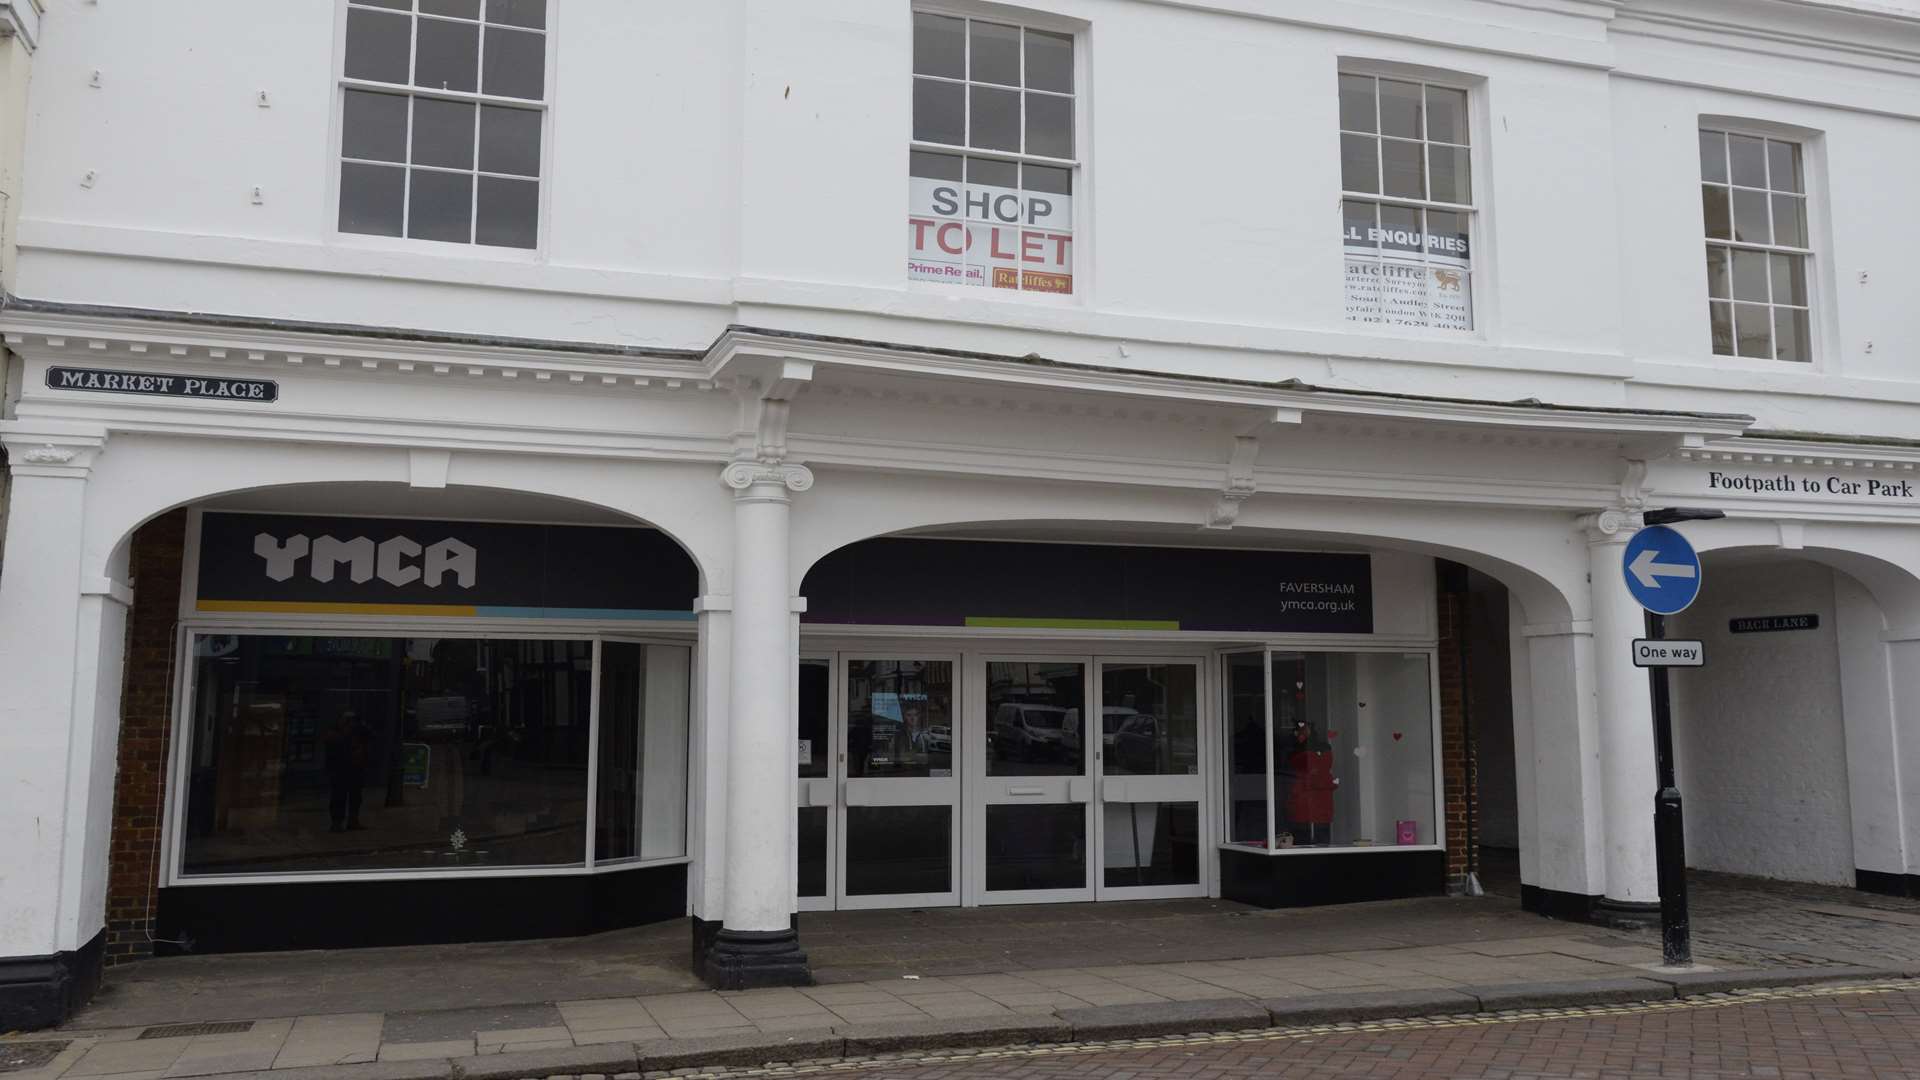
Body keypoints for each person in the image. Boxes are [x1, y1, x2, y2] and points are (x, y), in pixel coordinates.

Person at [322, 710, 372, 832]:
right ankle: (337, 823)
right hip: (341, 769)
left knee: (354, 796)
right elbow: (333, 744)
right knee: (339, 796)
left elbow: (369, 735)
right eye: (348, 720)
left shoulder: (358, 731)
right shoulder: (335, 734)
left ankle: (351, 821)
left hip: (354, 768)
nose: (351, 723)